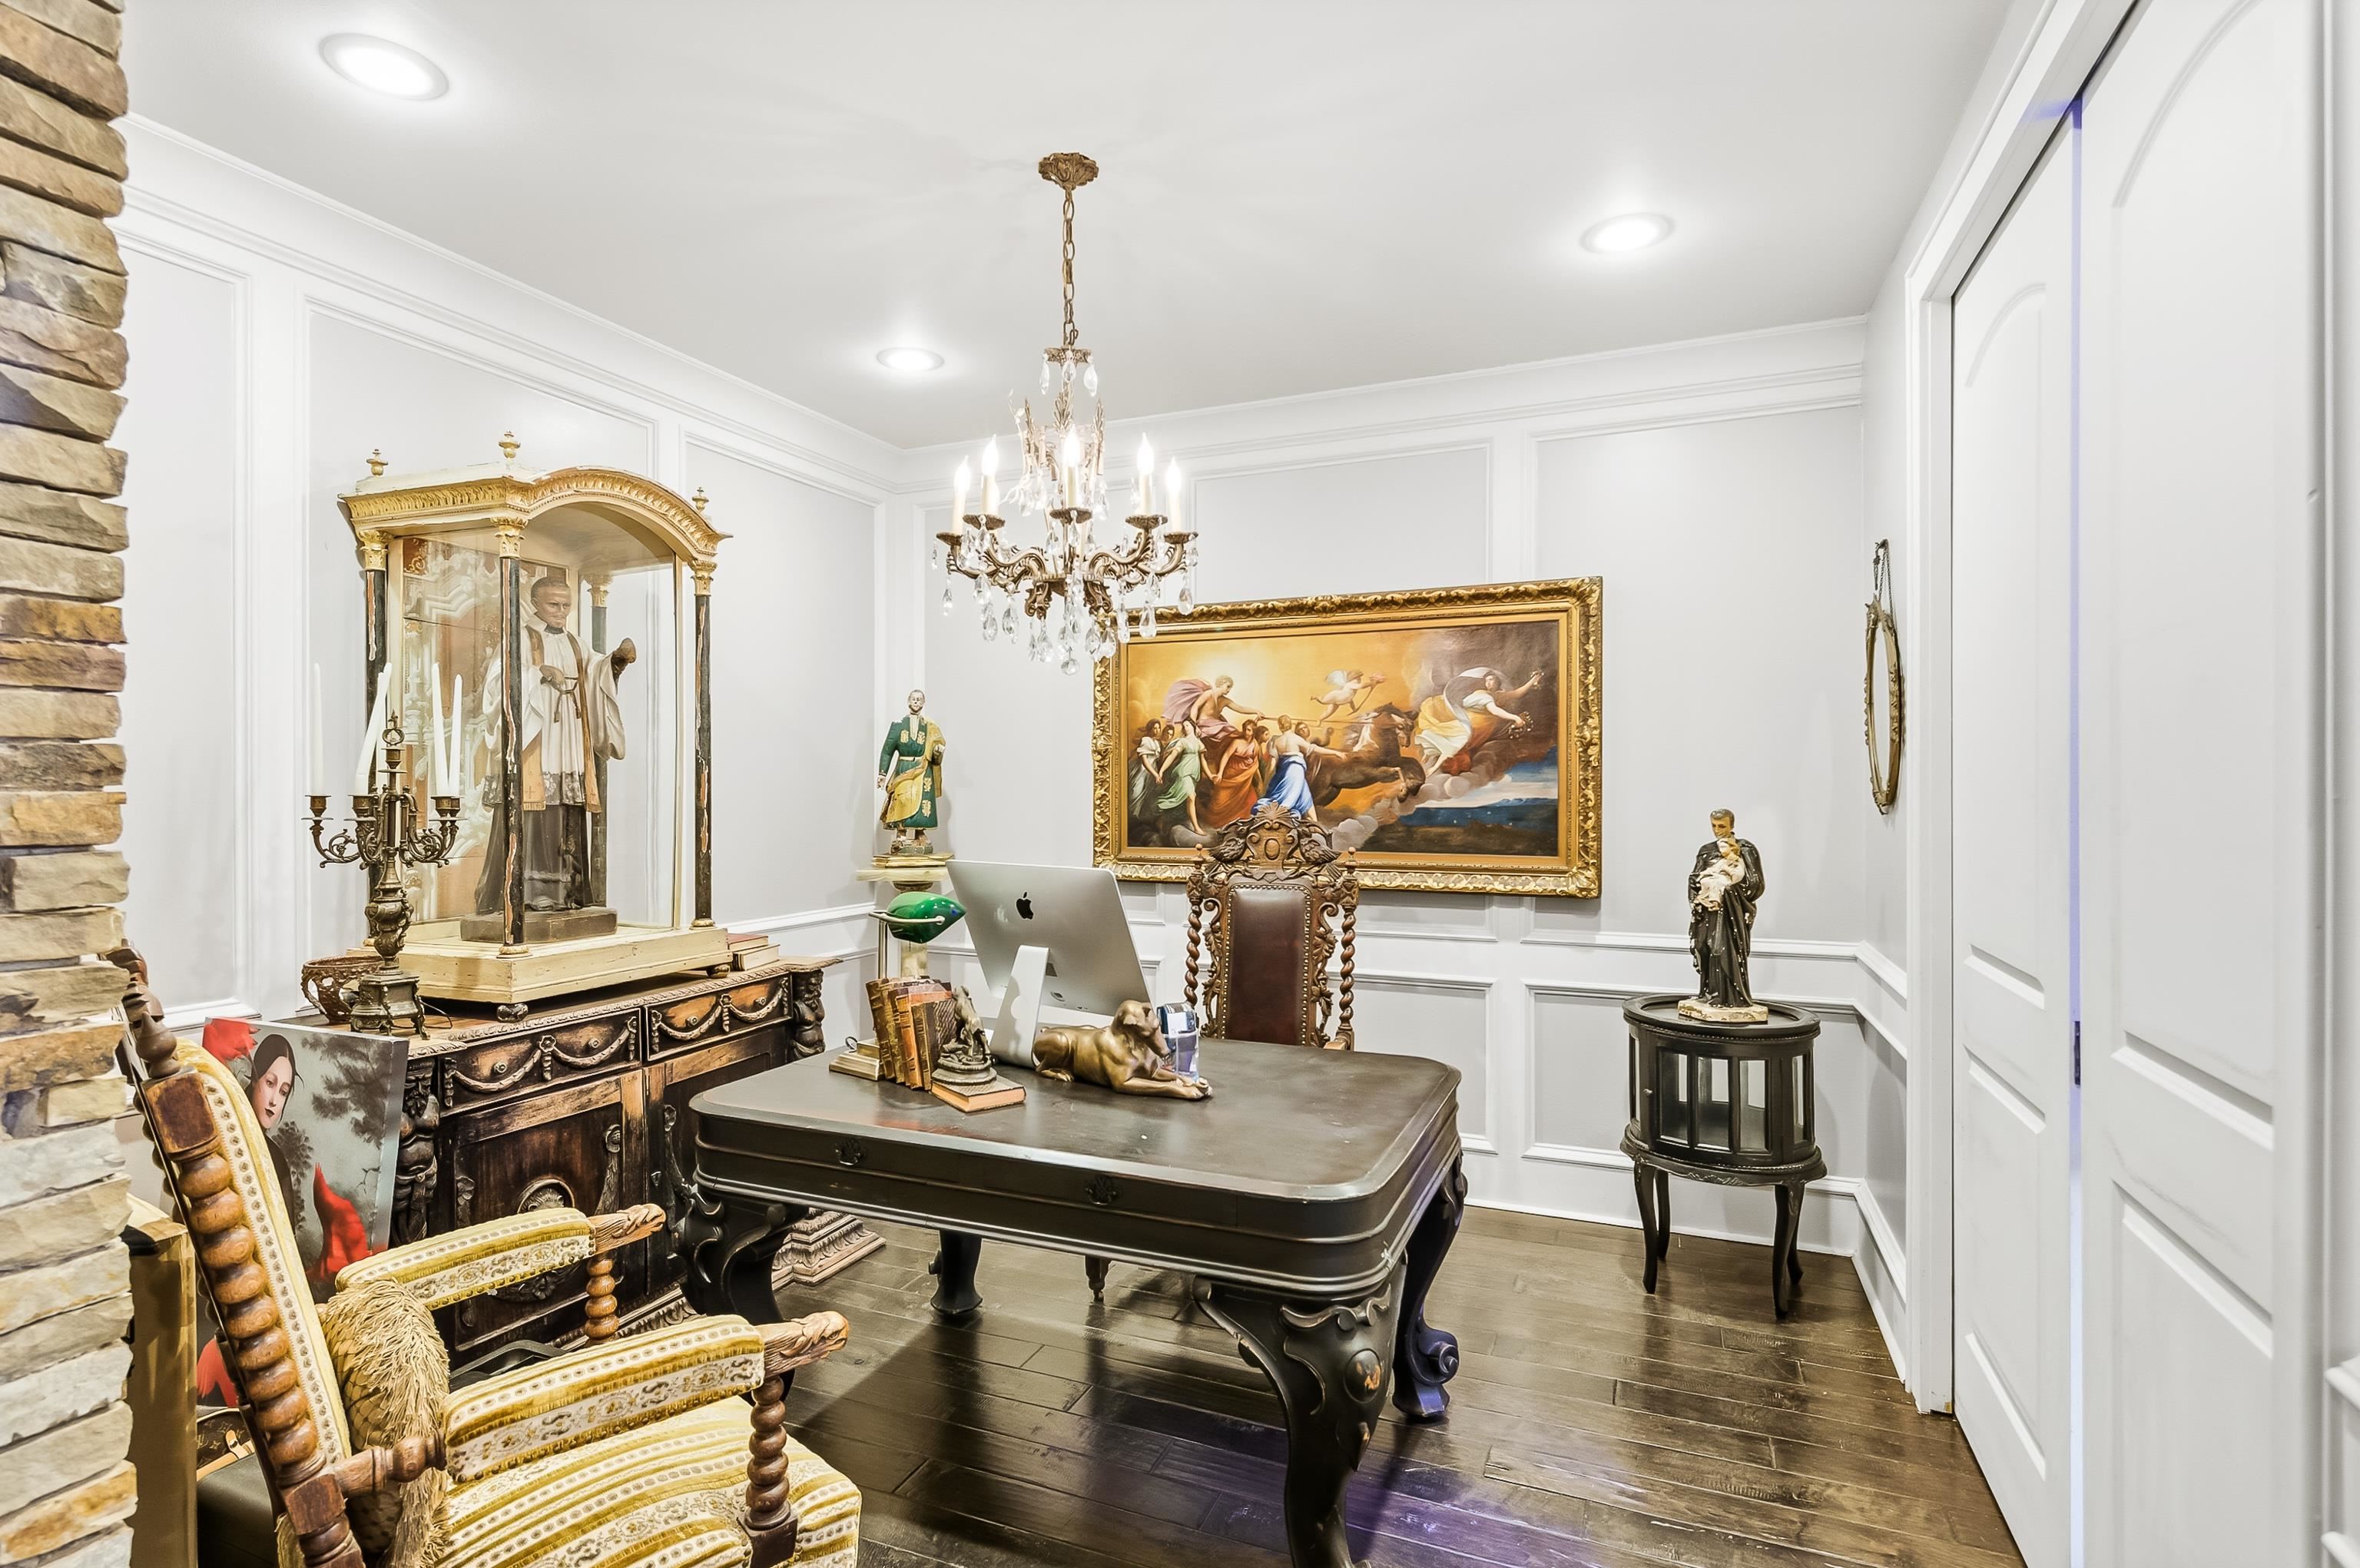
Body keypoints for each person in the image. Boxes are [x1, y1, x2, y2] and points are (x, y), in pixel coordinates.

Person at [474, 569, 628, 914]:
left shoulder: (574, 642)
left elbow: (594, 673)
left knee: (565, 811)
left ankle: (569, 891)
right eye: (554, 605)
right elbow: (496, 685)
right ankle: (529, 891)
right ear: (534, 604)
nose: (561, 611)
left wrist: (613, 663)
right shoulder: (518, 639)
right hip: (537, 737)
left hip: (569, 735)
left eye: (566, 605)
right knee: (538, 810)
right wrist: (537, 674)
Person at [1685, 809, 1766, 1016]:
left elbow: (1755, 883)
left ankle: (1729, 997)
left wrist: (1729, 890)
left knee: (1721, 948)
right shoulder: (1706, 850)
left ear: (1731, 825)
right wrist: (1697, 891)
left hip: (1730, 911)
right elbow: (1696, 876)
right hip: (1707, 911)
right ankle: (1708, 993)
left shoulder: (1745, 849)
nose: (1717, 830)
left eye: (1722, 826)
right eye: (1713, 825)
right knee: (1705, 947)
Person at [877, 689, 947, 857]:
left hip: (923, 768)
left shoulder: (929, 726)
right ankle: (900, 834)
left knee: (923, 799)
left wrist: (937, 750)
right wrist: (882, 773)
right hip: (904, 767)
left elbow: (936, 745)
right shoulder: (898, 725)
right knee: (902, 799)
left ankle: (920, 833)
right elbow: (887, 751)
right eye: (914, 699)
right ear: (908, 701)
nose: (916, 702)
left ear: (923, 703)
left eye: (919, 700)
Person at [246, 1033, 303, 1231]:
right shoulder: (230, 1125)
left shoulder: (275, 1159)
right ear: (255, 1078)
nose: (274, 1101)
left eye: (283, 1092)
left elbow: (288, 1235)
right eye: (270, 1083)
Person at [1255, 720, 1347, 818]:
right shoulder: (1296, 739)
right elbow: (1314, 748)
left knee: (1304, 796)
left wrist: (1267, 781)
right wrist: (1335, 753)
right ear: (1290, 725)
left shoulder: (1276, 741)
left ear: (1280, 727)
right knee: (1292, 797)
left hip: (1284, 772)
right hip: (1296, 770)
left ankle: (1314, 822)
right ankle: (1284, 817)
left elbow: (1272, 765)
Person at [1162, 675, 1262, 755]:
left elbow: (1240, 708)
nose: (1229, 690)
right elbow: (1195, 708)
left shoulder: (1224, 700)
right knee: (1227, 729)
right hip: (1203, 725)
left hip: (1216, 726)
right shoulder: (1208, 694)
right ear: (1221, 684)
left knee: (1232, 731)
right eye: (1228, 686)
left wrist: (1256, 711)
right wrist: (1194, 725)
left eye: (1230, 688)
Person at [1202, 723, 1263, 830]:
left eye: (1248, 730)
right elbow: (1226, 756)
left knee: (1248, 800)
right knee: (1220, 802)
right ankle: (1218, 824)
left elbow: (1255, 763)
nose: (1245, 732)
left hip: (1244, 777)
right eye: (1245, 729)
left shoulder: (1255, 745)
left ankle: (1238, 826)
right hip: (1230, 773)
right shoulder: (1237, 742)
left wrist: (1260, 780)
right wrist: (1220, 773)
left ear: (1254, 732)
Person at [1155, 718, 1206, 835]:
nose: (1185, 728)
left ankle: (1161, 820)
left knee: (1181, 798)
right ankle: (1196, 827)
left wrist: (1211, 775)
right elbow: (1172, 757)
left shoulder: (1199, 742)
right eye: (1184, 726)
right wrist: (1162, 771)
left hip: (1193, 775)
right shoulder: (1182, 741)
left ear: (1193, 726)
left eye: (1188, 725)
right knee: (1191, 797)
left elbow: (1203, 761)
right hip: (1183, 773)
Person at [1127, 720, 1167, 826]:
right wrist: (1155, 774)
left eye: (1158, 728)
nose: (1157, 730)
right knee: (1137, 792)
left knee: (1149, 795)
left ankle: (1143, 822)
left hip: (1153, 772)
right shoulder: (1145, 740)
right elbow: (1145, 761)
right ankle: (1131, 820)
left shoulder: (1157, 743)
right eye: (1154, 728)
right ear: (1150, 729)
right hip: (1143, 771)